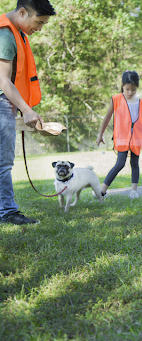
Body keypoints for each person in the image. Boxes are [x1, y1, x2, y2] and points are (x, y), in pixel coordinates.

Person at [0, 0, 56, 225]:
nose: (40, 28)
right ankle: (7, 211)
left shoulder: (17, 32)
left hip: (7, 102)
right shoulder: (6, 35)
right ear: (23, 12)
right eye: (39, 22)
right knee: (3, 162)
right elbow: (3, 79)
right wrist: (26, 110)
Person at [96, 71, 142, 199]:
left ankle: (134, 191)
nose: (130, 92)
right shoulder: (117, 99)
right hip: (122, 138)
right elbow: (107, 117)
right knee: (120, 163)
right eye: (127, 89)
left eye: (133, 90)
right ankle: (101, 191)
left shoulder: (141, 102)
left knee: (135, 164)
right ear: (122, 86)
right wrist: (100, 134)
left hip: (136, 139)